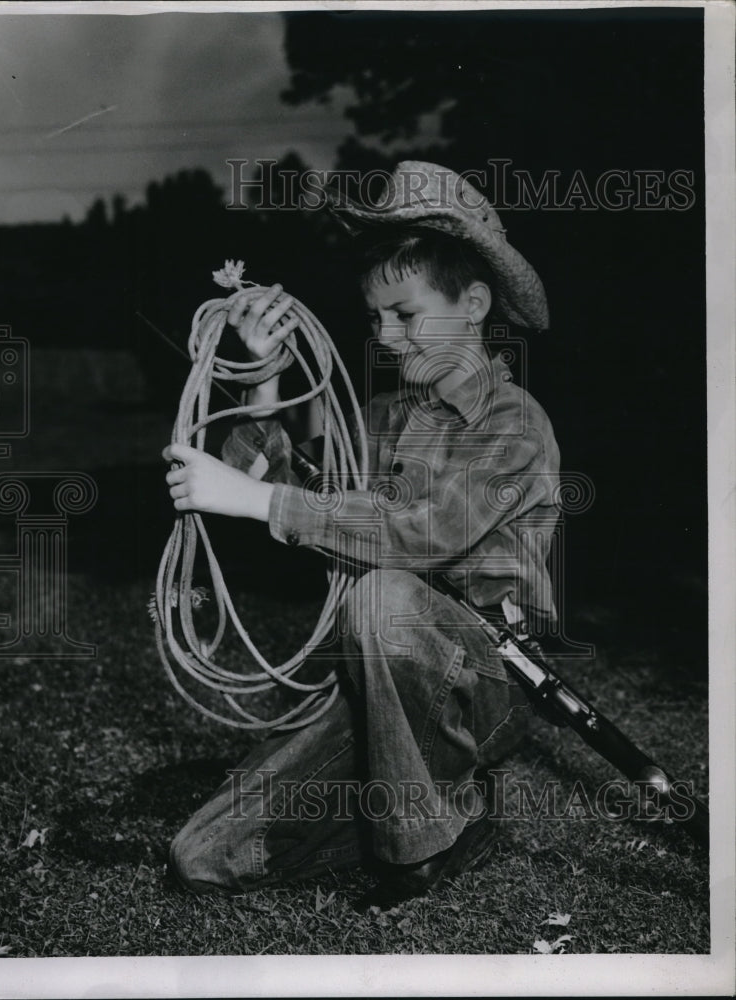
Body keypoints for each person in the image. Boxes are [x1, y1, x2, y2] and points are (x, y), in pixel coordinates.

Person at [163, 161, 561, 910]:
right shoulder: (383, 422)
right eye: (376, 316)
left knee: (384, 595)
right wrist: (264, 378)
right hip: (378, 681)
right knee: (201, 856)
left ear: (473, 303)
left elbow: (420, 535)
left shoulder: (515, 424)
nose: (385, 334)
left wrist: (259, 501)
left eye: (405, 314)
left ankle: (422, 843)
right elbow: (294, 484)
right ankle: (435, 804)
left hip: (487, 680)